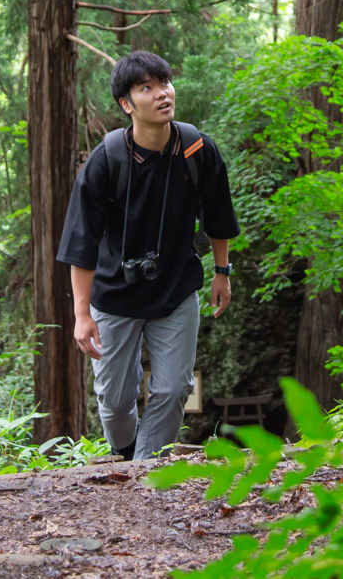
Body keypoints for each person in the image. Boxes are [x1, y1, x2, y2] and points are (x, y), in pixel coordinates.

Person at [56, 50, 240, 461]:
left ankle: (144, 473)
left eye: (165, 83)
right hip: (113, 296)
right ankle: (126, 453)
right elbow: (80, 242)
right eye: (147, 88)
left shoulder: (197, 151)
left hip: (175, 290)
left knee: (174, 388)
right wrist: (81, 314)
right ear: (127, 104)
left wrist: (222, 272)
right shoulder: (106, 161)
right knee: (115, 398)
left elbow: (219, 218)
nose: (162, 94)